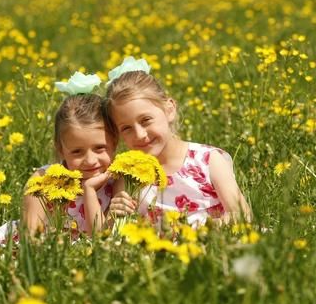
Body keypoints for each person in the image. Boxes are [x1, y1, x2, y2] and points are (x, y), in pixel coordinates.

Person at [0, 72, 118, 257]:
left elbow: (103, 240)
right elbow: (31, 238)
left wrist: (90, 190)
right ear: (60, 150)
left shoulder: (118, 180)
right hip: (42, 248)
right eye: (77, 152)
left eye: (100, 148)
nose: (90, 160)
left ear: (115, 143)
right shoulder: (44, 180)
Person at [105, 57, 251, 227]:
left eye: (145, 120)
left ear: (169, 109)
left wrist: (196, 235)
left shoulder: (207, 161)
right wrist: (114, 216)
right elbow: (118, 232)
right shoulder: (128, 177)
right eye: (126, 128)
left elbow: (241, 215)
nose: (139, 134)